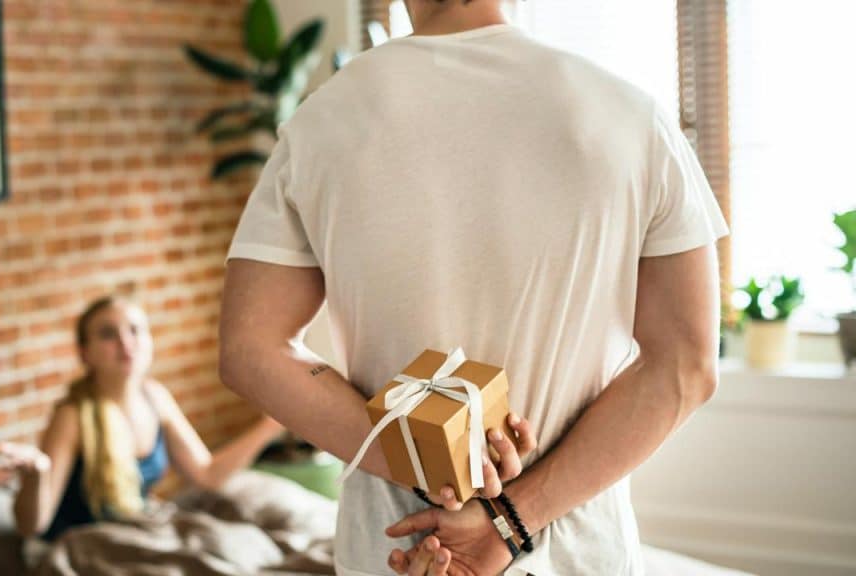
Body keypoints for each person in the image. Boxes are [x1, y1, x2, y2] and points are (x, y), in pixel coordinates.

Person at [218, 0, 729, 574]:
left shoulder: (320, 123)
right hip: (574, 556)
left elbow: (250, 351)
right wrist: (511, 517)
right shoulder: (632, 118)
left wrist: (431, 457)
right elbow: (686, 366)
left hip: (403, 551)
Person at [0, 295, 284, 541]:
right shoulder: (72, 415)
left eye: (135, 330)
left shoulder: (155, 397)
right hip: (87, 543)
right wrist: (37, 476)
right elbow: (32, 526)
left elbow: (206, 475)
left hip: (135, 529)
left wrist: (268, 428)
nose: (125, 342)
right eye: (108, 334)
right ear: (85, 353)